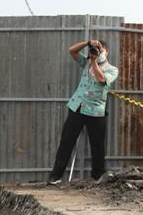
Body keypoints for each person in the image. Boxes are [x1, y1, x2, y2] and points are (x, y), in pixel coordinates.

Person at [48, 39, 118, 184]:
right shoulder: (86, 61)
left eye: (101, 49)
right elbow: (72, 50)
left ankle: (98, 175)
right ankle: (55, 176)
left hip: (96, 111)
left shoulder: (112, 69)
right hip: (77, 107)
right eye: (96, 49)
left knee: (97, 145)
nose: (98, 52)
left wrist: (94, 62)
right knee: (66, 142)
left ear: (107, 52)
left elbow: (101, 79)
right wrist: (88, 43)